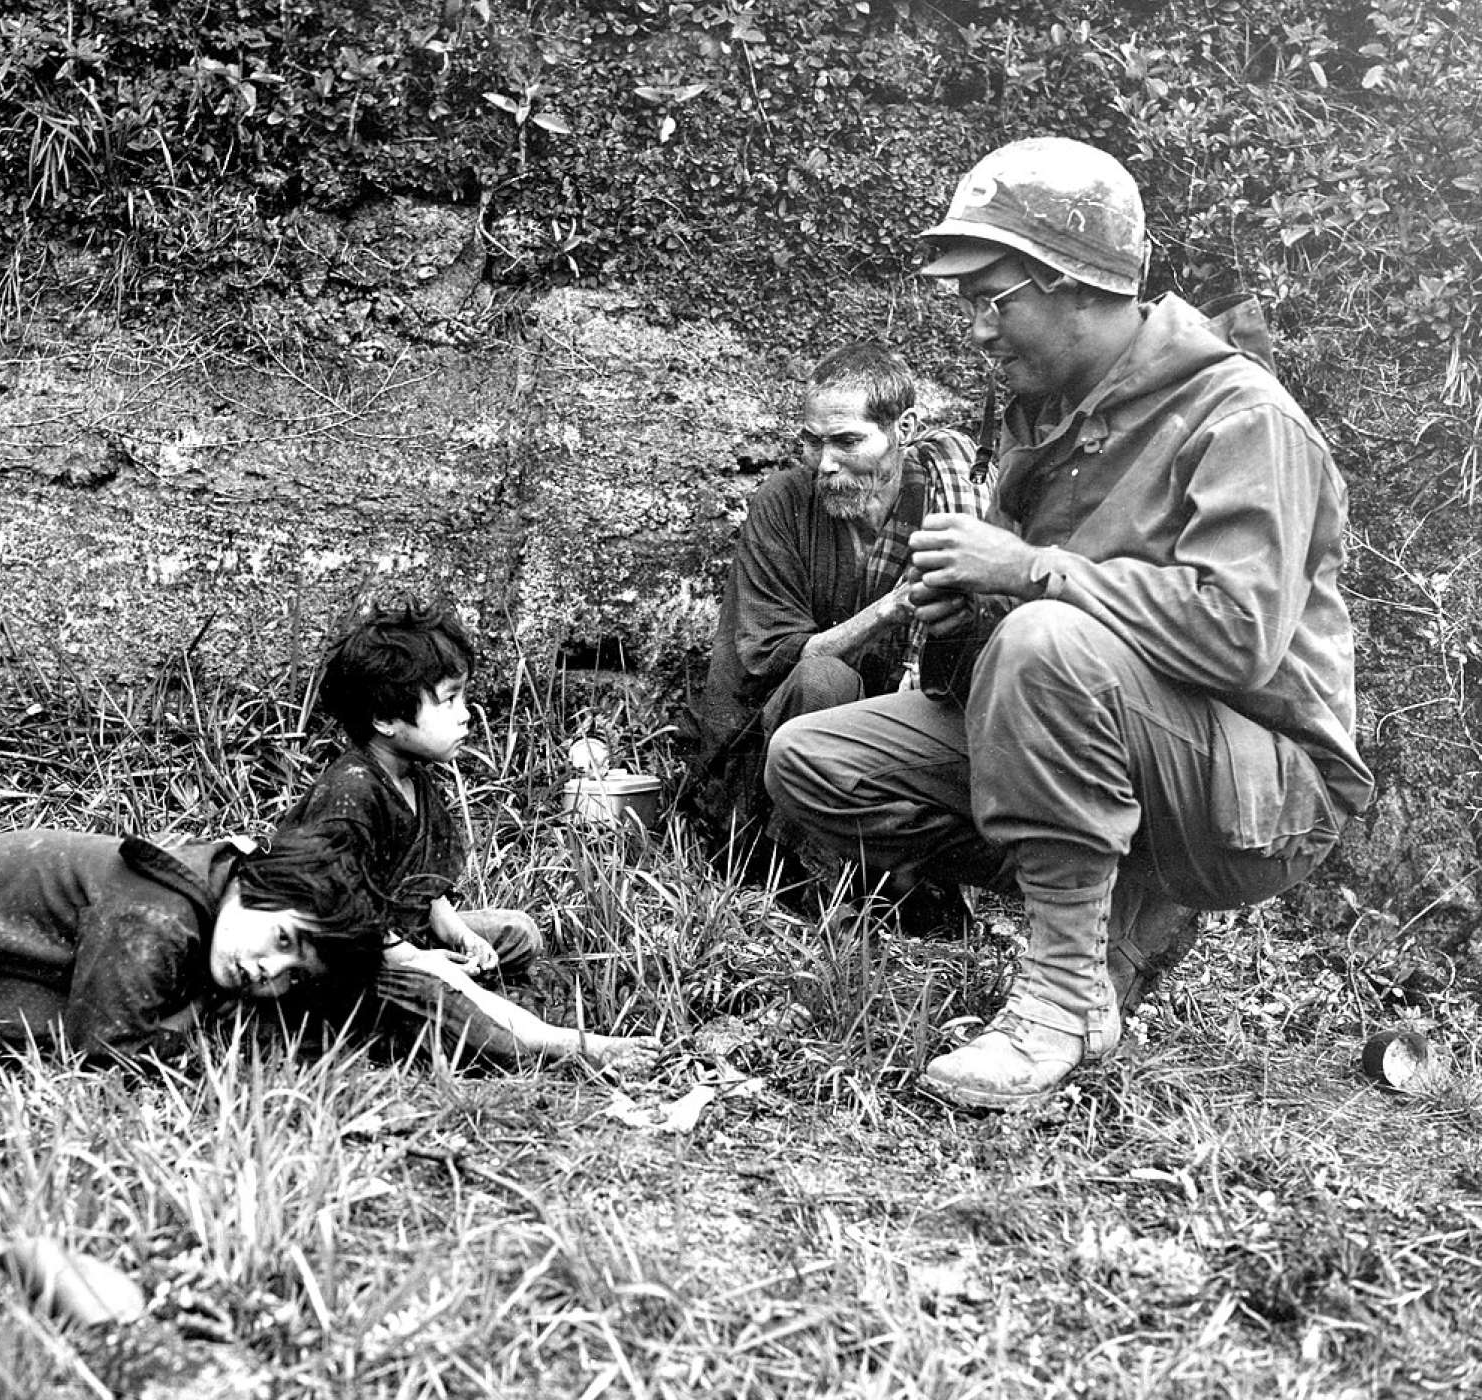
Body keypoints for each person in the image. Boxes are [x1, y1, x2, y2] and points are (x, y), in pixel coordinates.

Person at [764, 136, 1373, 1110]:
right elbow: (1020, 656)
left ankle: (1058, 1001)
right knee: (815, 759)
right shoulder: (1045, 417)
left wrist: (1030, 572)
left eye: (992, 301)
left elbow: (1237, 635)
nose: (978, 332)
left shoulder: (1242, 418)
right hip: (1121, 740)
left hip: (1265, 791)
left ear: (1076, 285)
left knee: (1046, 639)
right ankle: (1106, 921)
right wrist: (967, 607)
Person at [282, 597, 660, 1068]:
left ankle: (474, 1006)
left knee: (517, 934)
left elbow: (423, 891)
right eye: (448, 700)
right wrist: (416, 959)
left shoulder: (413, 778)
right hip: (348, 963)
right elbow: (331, 913)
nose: (465, 714)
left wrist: (460, 936)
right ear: (385, 718)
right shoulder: (352, 793)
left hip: (402, 936)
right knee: (438, 989)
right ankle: (557, 1043)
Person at [688, 343, 988, 924]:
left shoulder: (949, 500)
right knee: (824, 679)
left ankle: (902, 878)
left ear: (903, 430)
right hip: (783, 744)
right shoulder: (785, 503)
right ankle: (801, 882)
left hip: (893, 747)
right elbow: (767, 657)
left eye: (847, 442)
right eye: (812, 441)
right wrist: (889, 610)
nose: (825, 463)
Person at [0, 827, 383, 1065]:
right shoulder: (160, 918)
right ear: (254, 883)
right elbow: (105, 1048)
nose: (269, 970)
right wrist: (196, 1030)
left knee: (143, 999)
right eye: (283, 939)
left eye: (294, 975)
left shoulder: (219, 880)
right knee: (68, 1031)